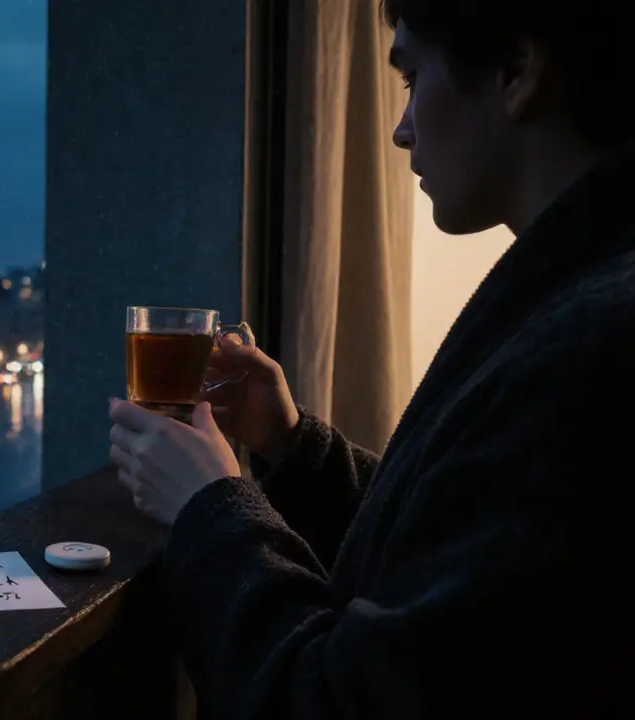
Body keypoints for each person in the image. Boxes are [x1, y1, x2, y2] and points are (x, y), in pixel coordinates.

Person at [107, 0, 634, 717]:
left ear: (516, 71)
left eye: (413, 76)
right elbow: (457, 570)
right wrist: (293, 445)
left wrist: (210, 508)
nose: (400, 126)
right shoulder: (577, 298)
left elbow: (342, 701)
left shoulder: (587, 356)